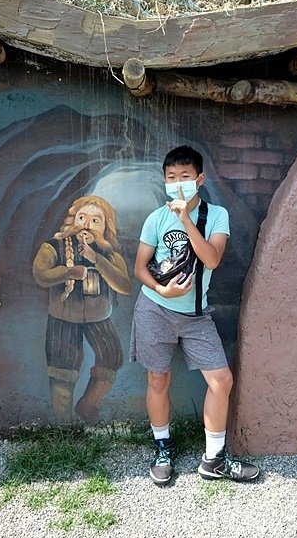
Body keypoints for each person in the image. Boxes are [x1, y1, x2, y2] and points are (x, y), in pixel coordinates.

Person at [131, 145, 259, 485]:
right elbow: (140, 268)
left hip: (197, 316)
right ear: (164, 181)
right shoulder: (155, 219)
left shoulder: (216, 216)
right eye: (171, 178)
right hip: (155, 309)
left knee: (222, 380)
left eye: (185, 177)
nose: (177, 184)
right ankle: (162, 447)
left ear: (199, 180)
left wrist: (186, 219)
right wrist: (162, 290)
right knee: (158, 379)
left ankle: (214, 459)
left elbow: (213, 259)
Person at [32, 195, 133, 424]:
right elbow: (40, 274)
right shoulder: (53, 246)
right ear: (72, 220)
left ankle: (87, 406)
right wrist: (67, 272)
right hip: (63, 317)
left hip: (99, 317)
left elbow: (125, 286)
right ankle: (64, 428)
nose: (87, 224)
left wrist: (96, 259)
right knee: (62, 370)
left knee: (111, 359)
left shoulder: (109, 252)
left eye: (96, 220)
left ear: (106, 226)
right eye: (82, 217)